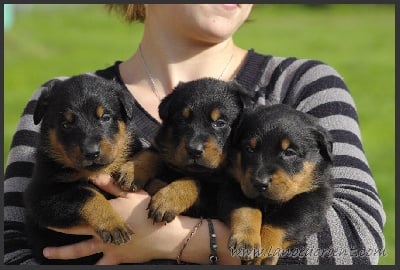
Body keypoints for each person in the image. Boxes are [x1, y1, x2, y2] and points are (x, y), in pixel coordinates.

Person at [4, 4, 386, 265]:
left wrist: (178, 241)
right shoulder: (60, 98)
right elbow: (12, 249)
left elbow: (361, 238)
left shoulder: (301, 85)